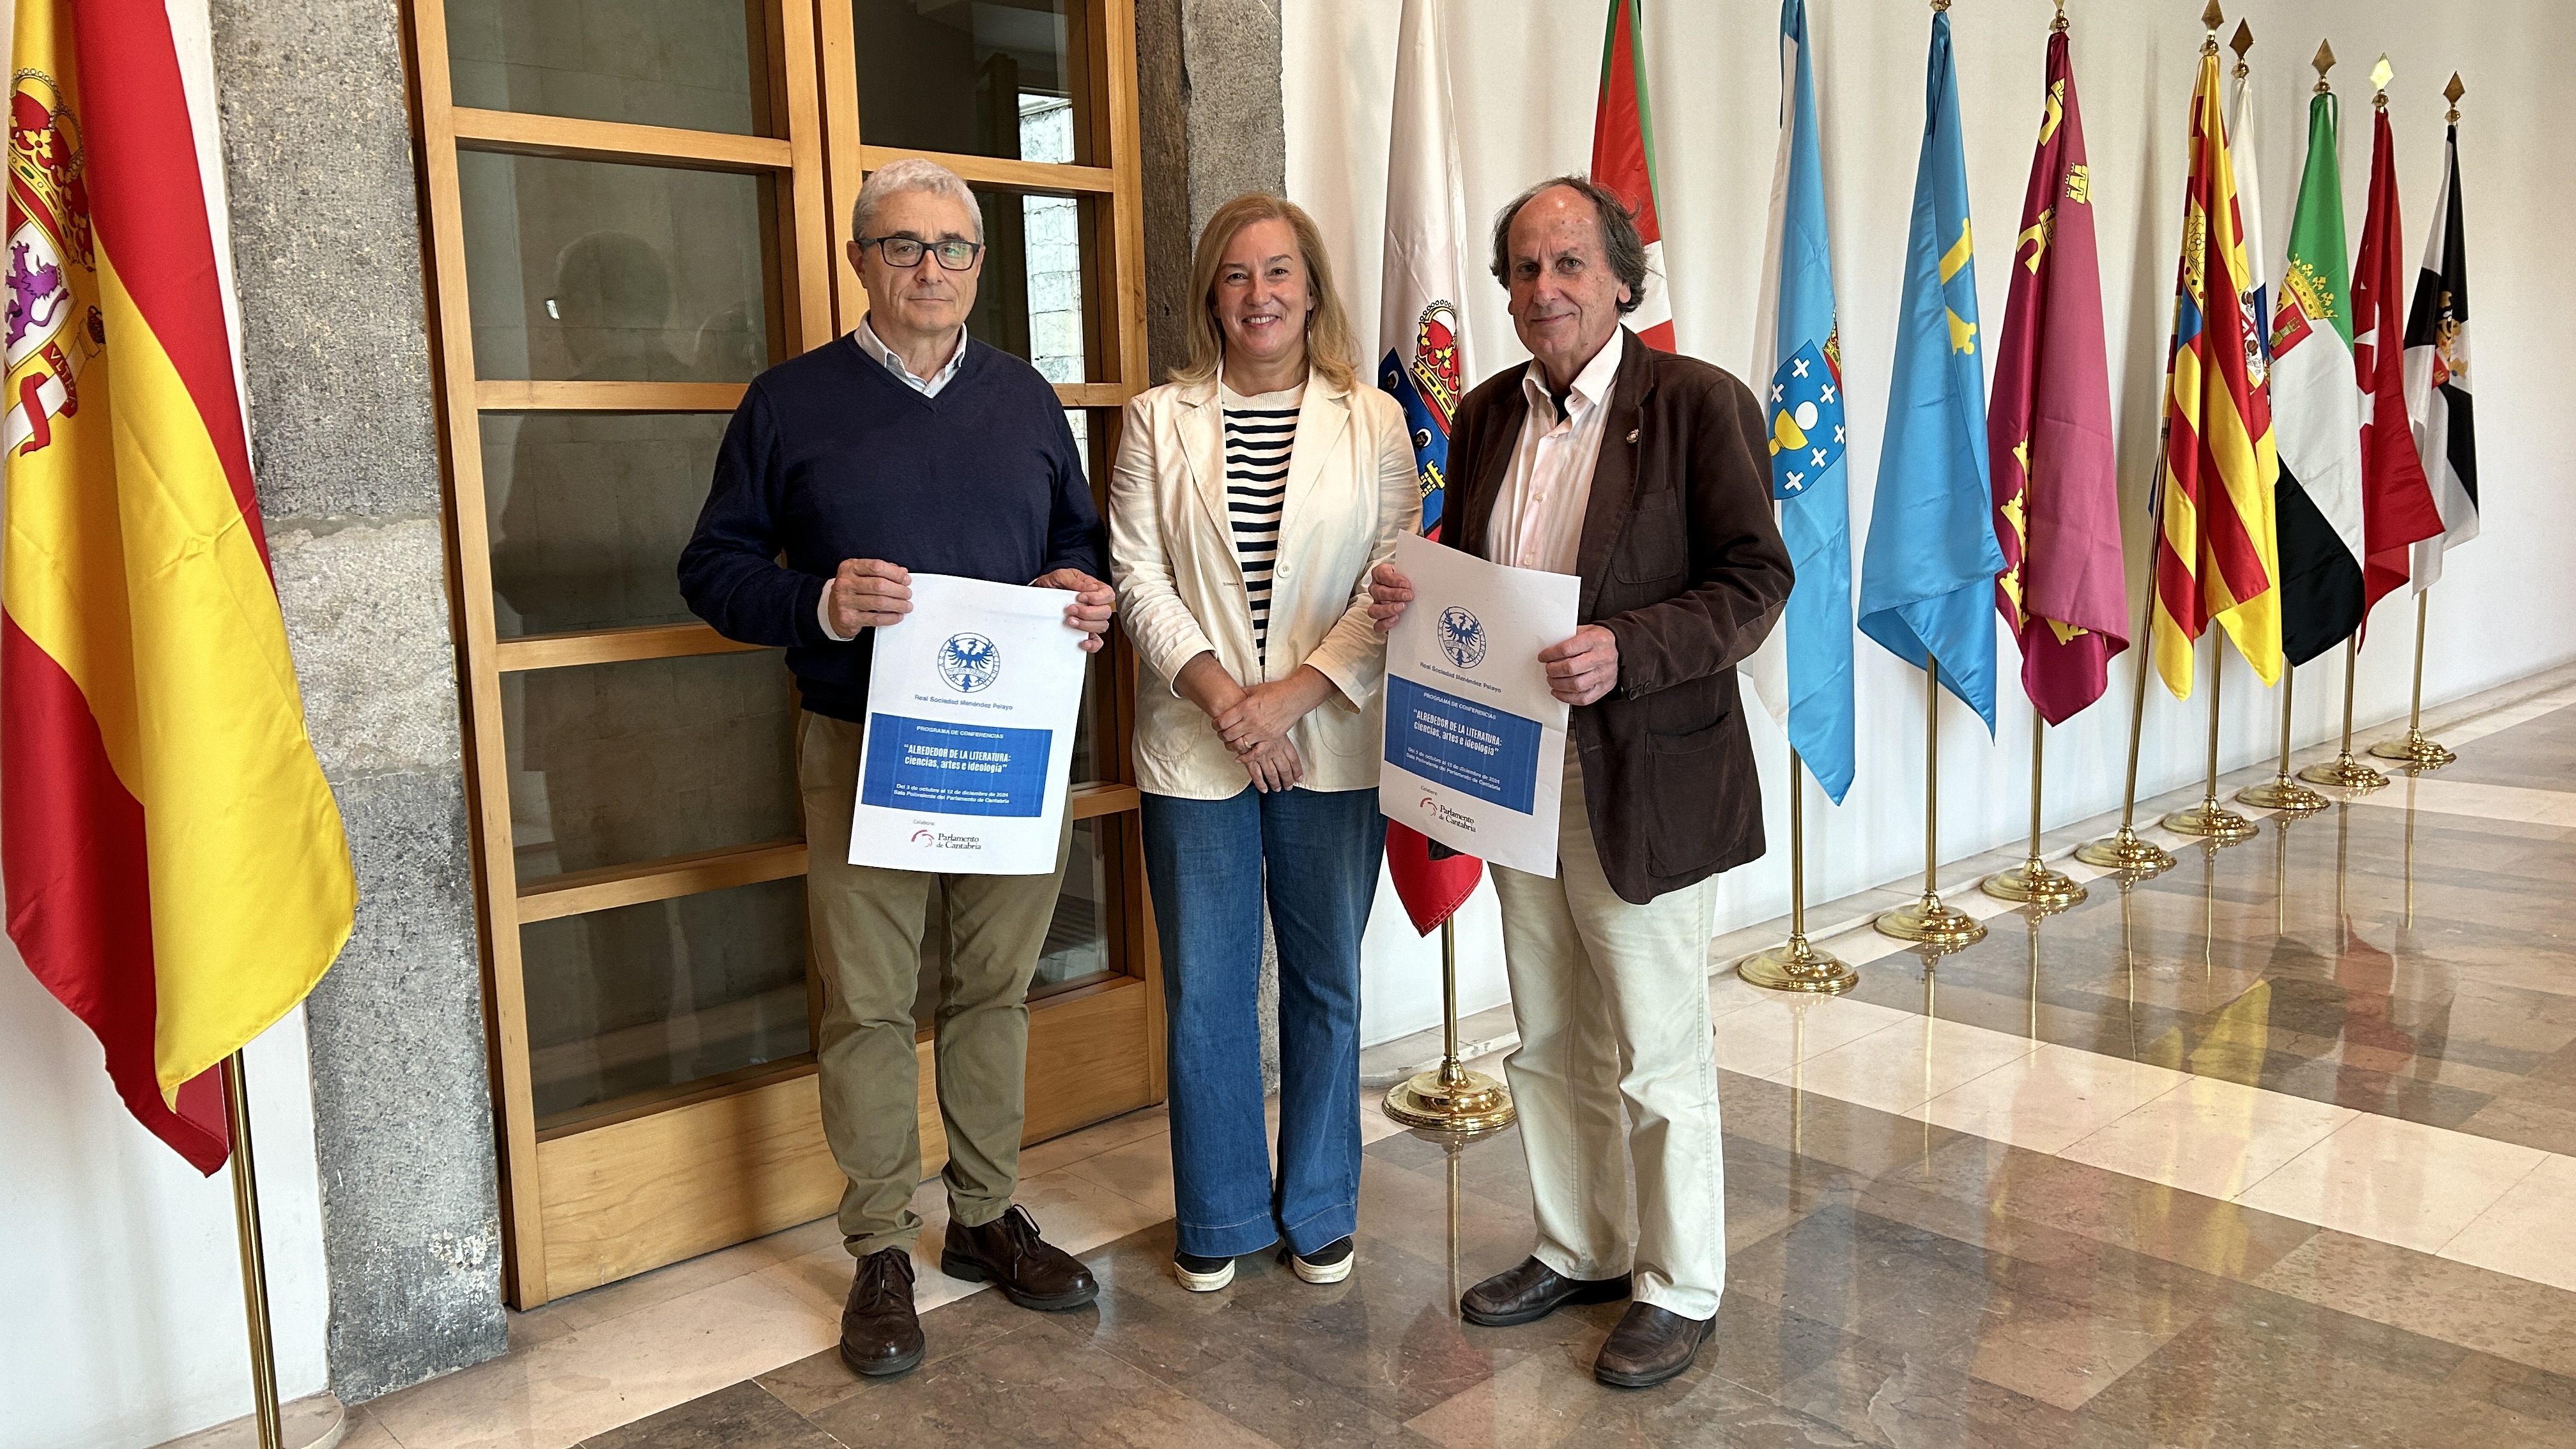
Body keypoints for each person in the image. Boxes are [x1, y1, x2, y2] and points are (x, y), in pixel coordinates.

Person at [678, 157, 1118, 1381]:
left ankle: (983, 1215)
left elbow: (1078, 540)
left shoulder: (1026, 399)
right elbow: (712, 569)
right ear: (860, 261)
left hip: (1009, 746)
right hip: (865, 743)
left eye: (954, 247)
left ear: (981, 263)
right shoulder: (788, 403)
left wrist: (1083, 588)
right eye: (904, 246)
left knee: (994, 989)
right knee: (868, 1003)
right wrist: (818, 603)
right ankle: (880, 1245)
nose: (931, 268)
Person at [1368, 176, 1792, 1389]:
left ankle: (1680, 1284)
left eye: (1567, 264)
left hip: (1644, 777)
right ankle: (1582, 1246)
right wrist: (1415, 592)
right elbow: (1477, 573)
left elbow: (1755, 582)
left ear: (1619, 279)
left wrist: (1628, 649)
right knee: (1549, 1035)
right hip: (1515, 771)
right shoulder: (1487, 413)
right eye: (1522, 269)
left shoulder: (1698, 403)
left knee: (1656, 1048)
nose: (1542, 288)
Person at [1108, 193, 1417, 1292]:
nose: (1259, 294)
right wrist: (1226, 702)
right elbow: (1136, 576)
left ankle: (1321, 1203)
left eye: (1279, 271)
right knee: (1206, 986)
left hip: (1328, 737)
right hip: (1194, 747)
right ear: (1211, 296)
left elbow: (1392, 582)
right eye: (1236, 275)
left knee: (1327, 980)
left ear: (1313, 288)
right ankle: (1222, 1211)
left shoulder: (1374, 420)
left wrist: (1285, 701)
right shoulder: (1157, 419)